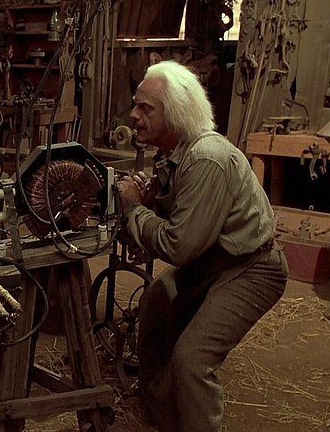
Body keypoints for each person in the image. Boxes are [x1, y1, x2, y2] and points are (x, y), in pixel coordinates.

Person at [116, 60, 288, 432]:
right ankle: (164, 414)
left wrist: (133, 209)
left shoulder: (206, 158)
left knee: (192, 360)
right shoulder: (174, 155)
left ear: (175, 113)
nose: (134, 115)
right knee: (154, 303)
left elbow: (179, 247)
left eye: (146, 108)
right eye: (135, 105)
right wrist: (152, 201)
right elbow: (182, 221)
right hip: (214, 261)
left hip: (252, 268)